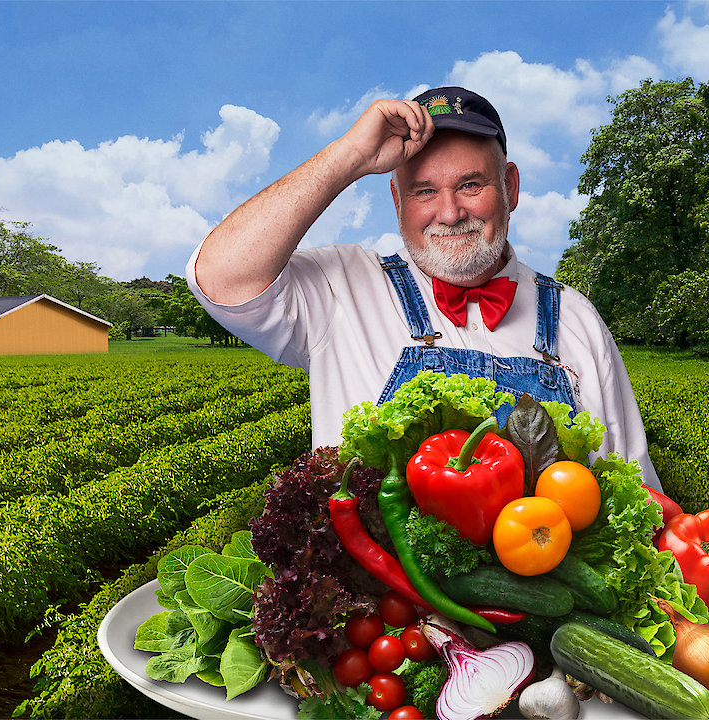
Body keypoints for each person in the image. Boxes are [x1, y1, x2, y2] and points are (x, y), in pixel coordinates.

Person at [186, 86, 662, 490]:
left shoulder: (576, 318)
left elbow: (636, 496)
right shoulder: (342, 286)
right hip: (380, 597)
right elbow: (223, 278)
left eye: (471, 184)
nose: (451, 212)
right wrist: (350, 156)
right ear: (396, 199)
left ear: (511, 188)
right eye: (424, 191)